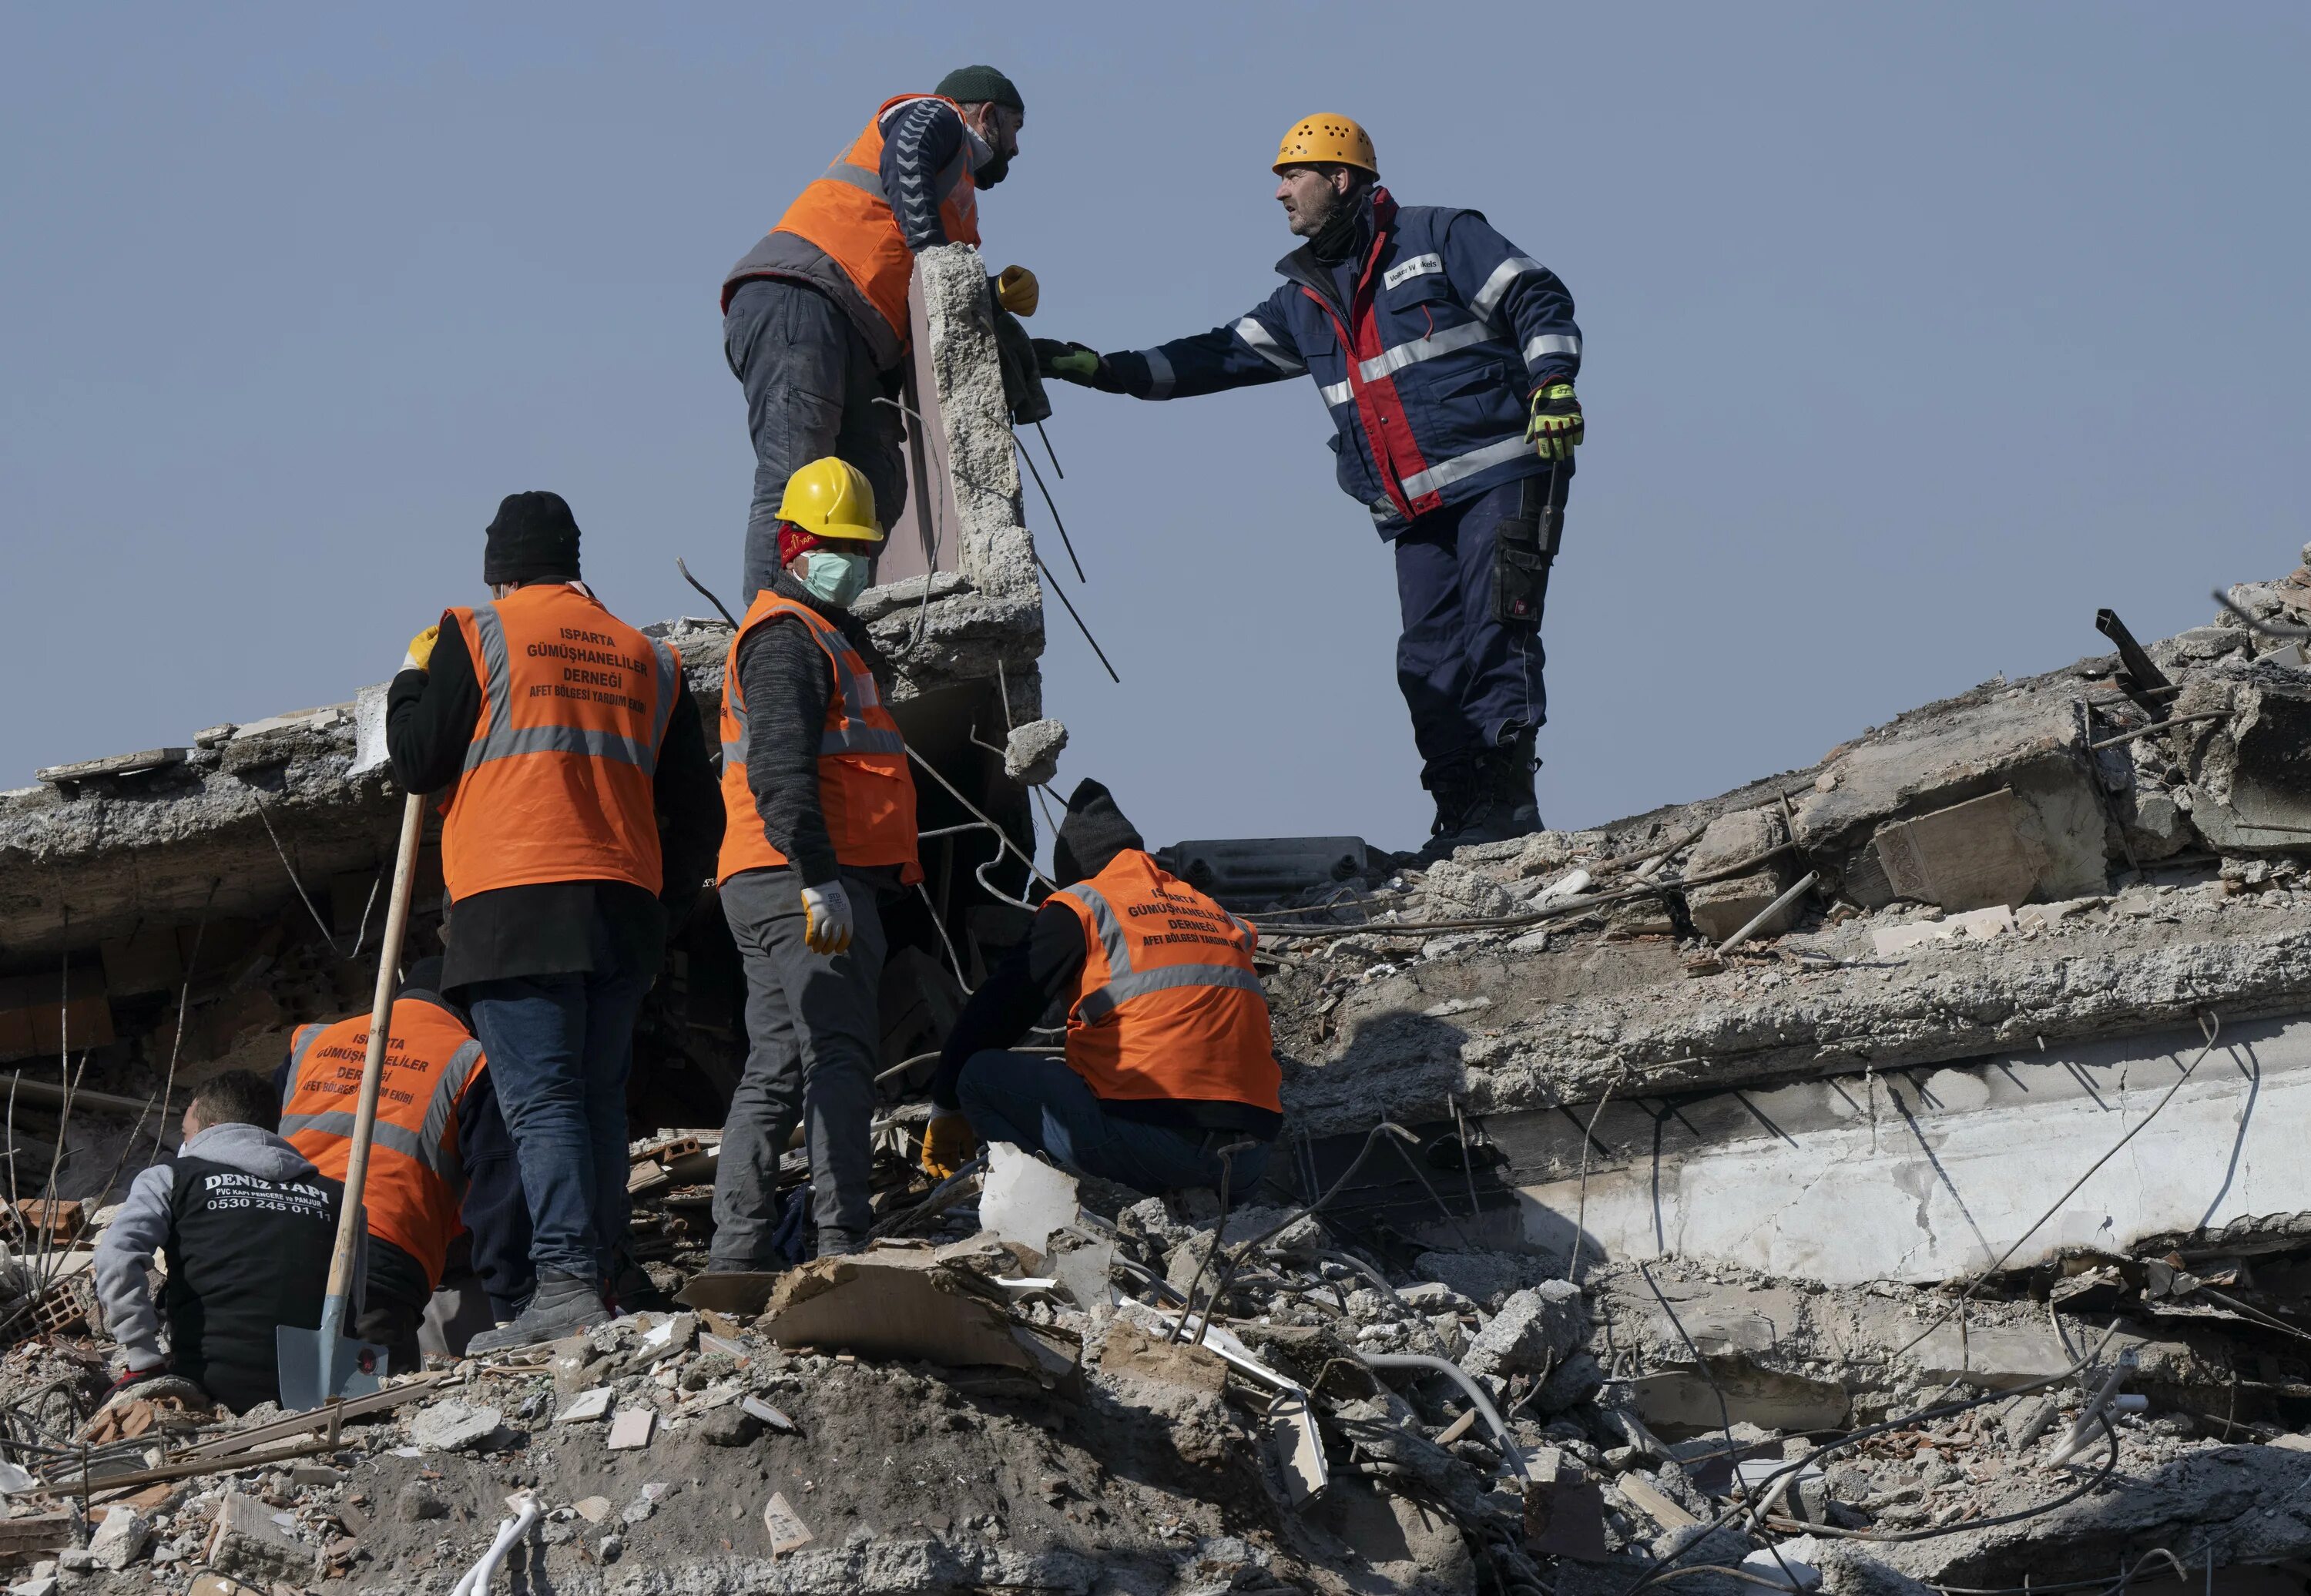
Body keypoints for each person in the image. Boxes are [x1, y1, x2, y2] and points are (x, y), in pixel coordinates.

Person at [1038, 115, 1585, 859]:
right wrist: (1105, 369)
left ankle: (1510, 809)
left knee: (1496, 631)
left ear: (1341, 178)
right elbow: (1218, 356)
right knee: (1426, 660)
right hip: (1413, 507)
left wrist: (1553, 383)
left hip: (1500, 472)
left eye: (1290, 176)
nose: (1279, 193)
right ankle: (1463, 816)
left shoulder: (1441, 235)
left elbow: (1535, 295)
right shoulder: (1303, 298)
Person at [387, 490, 723, 1350]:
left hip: (515, 903)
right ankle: (601, 1278)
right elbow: (699, 814)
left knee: (541, 1105)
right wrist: (663, 907)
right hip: (621, 914)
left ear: (498, 570)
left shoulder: (478, 630)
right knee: (596, 1103)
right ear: (574, 563)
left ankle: (569, 1285)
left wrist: (411, 680)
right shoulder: (650, 658)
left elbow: (419, 761)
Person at [705, 458, 921, 1267]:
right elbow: (781, 771)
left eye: (864, 545)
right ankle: (842, 1240)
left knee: (777, 1062)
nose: (857, 560)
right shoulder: (789, 639)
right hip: (802, 883)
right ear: (795, 544)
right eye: (840, 543)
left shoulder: (820, 635)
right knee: (838, 1055)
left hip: (766, 877)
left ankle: (737, 1250)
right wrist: (821, 876)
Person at [721, 66, 1037, 603]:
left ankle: (828, 616)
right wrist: (936, 253)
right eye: (1015, 130)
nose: (1016, 148)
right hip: (804, 295)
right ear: (987, 115)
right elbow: (907, 162)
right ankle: (771, 631)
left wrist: (994, 300)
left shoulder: (959, 196)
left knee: (878, 484)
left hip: (859, 333)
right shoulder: (932, 116)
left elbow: (931, 289)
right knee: (796, 471)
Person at [921, 780, 1281, 1198]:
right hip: (1248, 1162)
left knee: (979, 1076)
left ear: (1075, 874)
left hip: (1155, 1150)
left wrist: (945, 1103)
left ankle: (1037, 1212)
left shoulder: (1084, 904)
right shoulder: (1210, 910)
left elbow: (997, 1011)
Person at [273, 955, 518, 1376]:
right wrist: (511, 1303)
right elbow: (496, 1199)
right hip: (384, 1256)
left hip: (282, 1231)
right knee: (379, 1406)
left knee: (282, 1394)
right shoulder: (472, 1059)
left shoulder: (314, 1041)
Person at [94, 1071, 346, 1415]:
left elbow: (116, 1257)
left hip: (209, 1388)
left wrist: (142, 1357)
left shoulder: (171, 1177)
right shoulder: (340, 1196)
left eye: (186, 1133)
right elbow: (356, 1299)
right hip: (321, 1392)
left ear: (210, 1128)